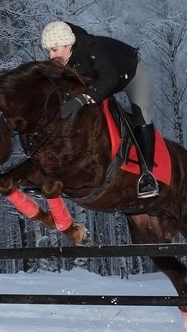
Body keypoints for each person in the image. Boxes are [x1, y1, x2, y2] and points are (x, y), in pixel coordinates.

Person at [40, 20, 159, 199]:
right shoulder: (61, 60)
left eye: (54, 50)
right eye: (48, 51)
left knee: (141, 114)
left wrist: (82, 99)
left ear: (68, 44)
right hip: (100, 81)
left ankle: (148, 175)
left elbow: (109, 78)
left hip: (132, 74)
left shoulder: (91, 46)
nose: (51, 56)